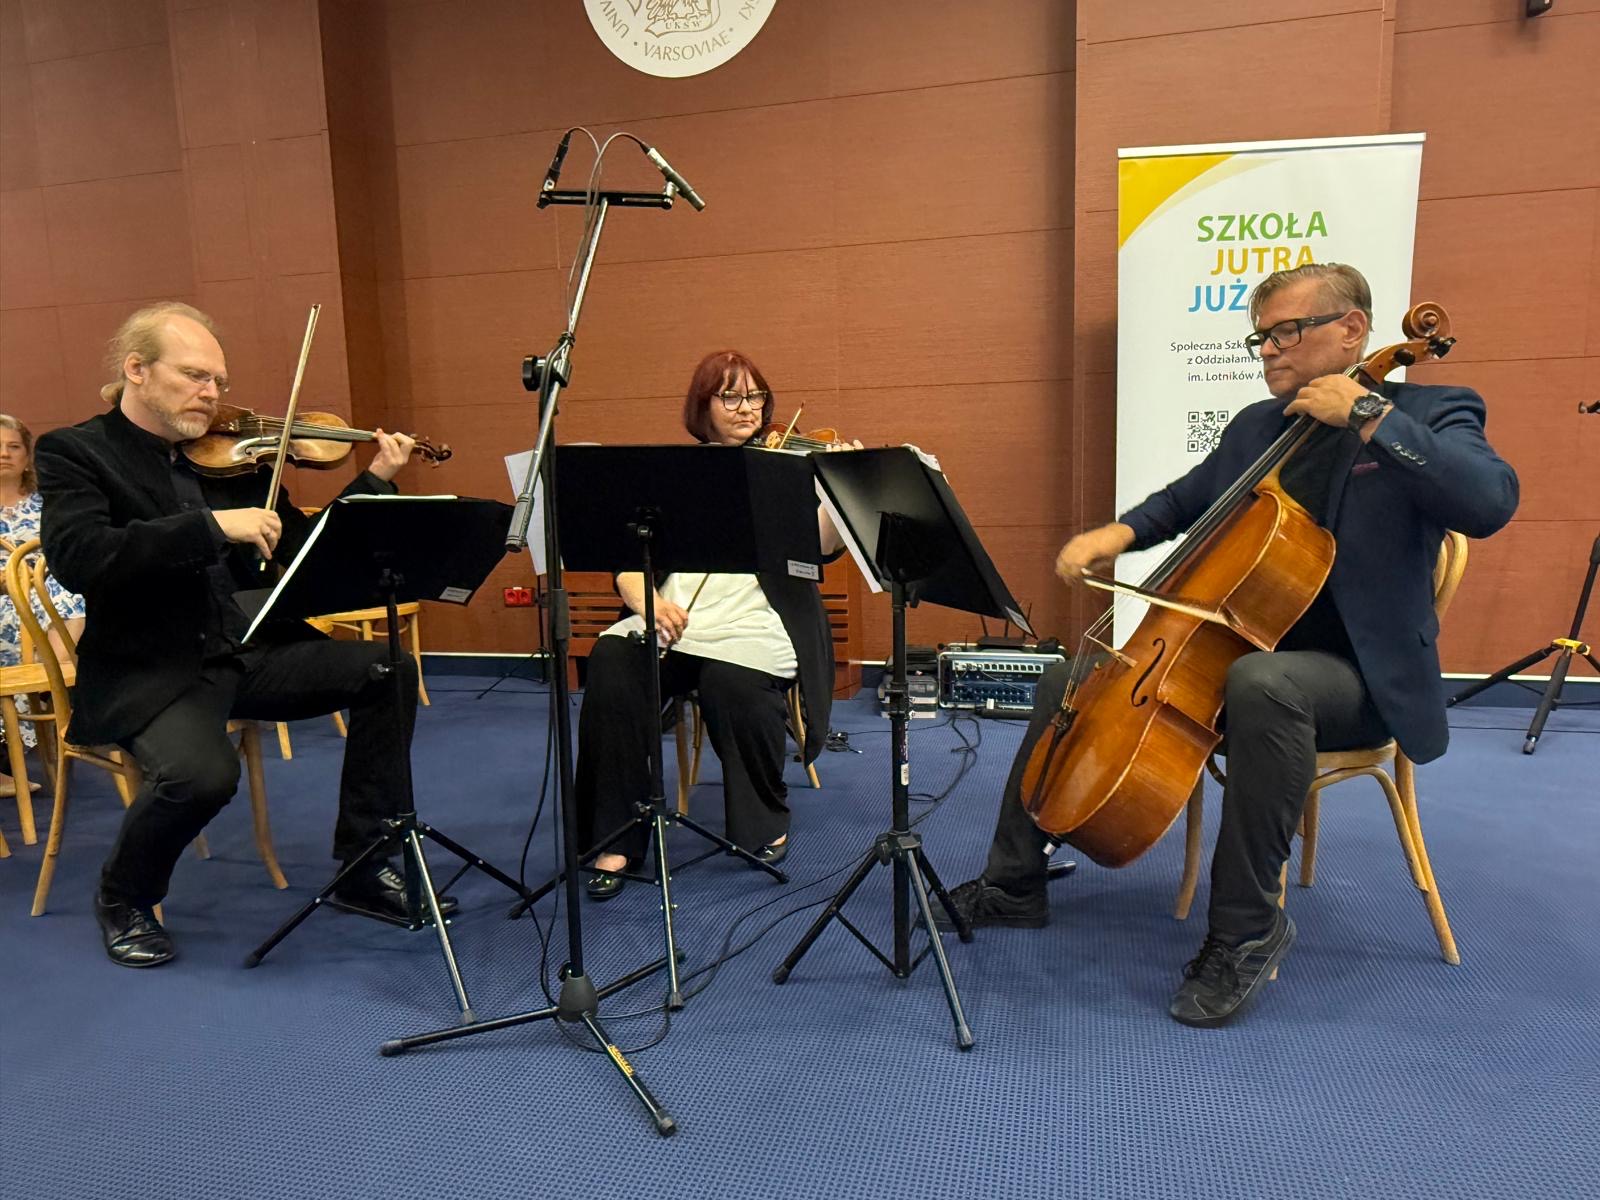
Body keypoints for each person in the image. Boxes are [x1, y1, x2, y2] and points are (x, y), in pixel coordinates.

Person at [938, 263, 1519, 1028]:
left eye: (1287, 332)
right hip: (1239, 652)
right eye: (1262, 337)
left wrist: (1370, 413)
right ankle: (1015, 883)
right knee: (1068, 680)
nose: (1268, 350)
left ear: (1351, 329)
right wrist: (1119, 533)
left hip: (1356, 674)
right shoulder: (1257, 426)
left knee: (1263, 687)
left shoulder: (1433, 411)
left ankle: (1246, 930)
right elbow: (1190, 497)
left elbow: (1489, 501)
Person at [35, 302, 439, 968]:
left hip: (249, 649)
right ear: (137, 369)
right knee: (201, 776)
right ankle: (123, 896)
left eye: (218, 381)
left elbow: (305, 554)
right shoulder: (76, 452)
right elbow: (82, 556)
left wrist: (375, 481)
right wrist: (211, 528)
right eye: (195, 376)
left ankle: (365, 864)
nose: (213, 394)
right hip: (157, 666)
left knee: (389, 669)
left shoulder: (238, 460)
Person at [573, 350, 848, 899]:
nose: (748, 408)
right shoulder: (676, 472)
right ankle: (617, 834)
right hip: (676, 617)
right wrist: (645, 599)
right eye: (731, 396)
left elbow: (819, 549)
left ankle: (761, 820)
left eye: (756, 396)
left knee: (734, 681)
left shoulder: (786, 467)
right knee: (613, 660)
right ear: (703, 406)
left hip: (756, 620)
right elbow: (628, 556)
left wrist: (839, 487)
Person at [1, 414, 87, 799]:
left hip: (50, 603)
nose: (4, 454)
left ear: (27, 456)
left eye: (13, 446)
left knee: (64, 586)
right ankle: (57, 683)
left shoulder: (49, 505)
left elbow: (71, 556)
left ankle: (53, 676)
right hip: (5, 606)